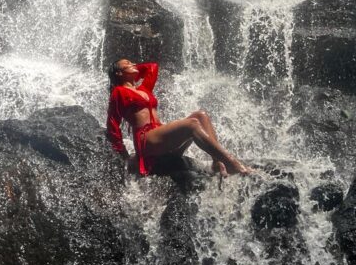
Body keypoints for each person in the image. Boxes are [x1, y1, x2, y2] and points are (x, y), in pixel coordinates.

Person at [106, 58, 250, 177]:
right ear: (119, 73)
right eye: (128, 64)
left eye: (132, 62)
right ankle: (232, 163)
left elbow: (152, 67)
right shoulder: (118, 92)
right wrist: (124, 155)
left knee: (201, 115)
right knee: (191, 124)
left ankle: (217, 163)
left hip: (160, 135)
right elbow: (112, 125)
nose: (133, 64)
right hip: (147, 140)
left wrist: (133, 70)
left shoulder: (143, 89)